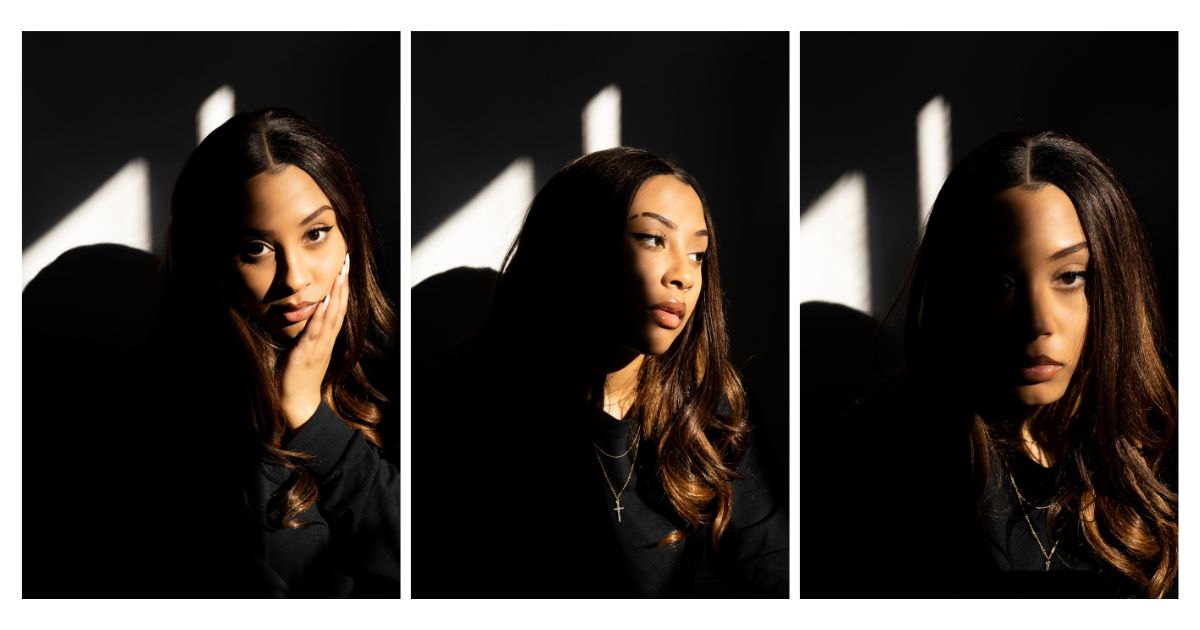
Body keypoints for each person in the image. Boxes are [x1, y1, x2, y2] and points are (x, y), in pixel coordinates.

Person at [806, 130, 1177, 598]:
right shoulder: (890, 458)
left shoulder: (1164, 452)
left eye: (1069, 276)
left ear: (1113, 285)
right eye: (997, 282)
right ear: (957, 291)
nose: (1036, 321)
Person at [413, 147, 788, 597]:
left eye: (698, 253)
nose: (684, 276)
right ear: (578, 244)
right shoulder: (469, 396)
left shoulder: (711, 397)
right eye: (652, 238)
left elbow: (772, 570)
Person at [133, 108, 399, 596]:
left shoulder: (396, 363)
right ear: (211, 259)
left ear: (349, 232)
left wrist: (310, 413)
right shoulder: (180, 406)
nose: (295, 278)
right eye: (256, 248)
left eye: (316, 234)